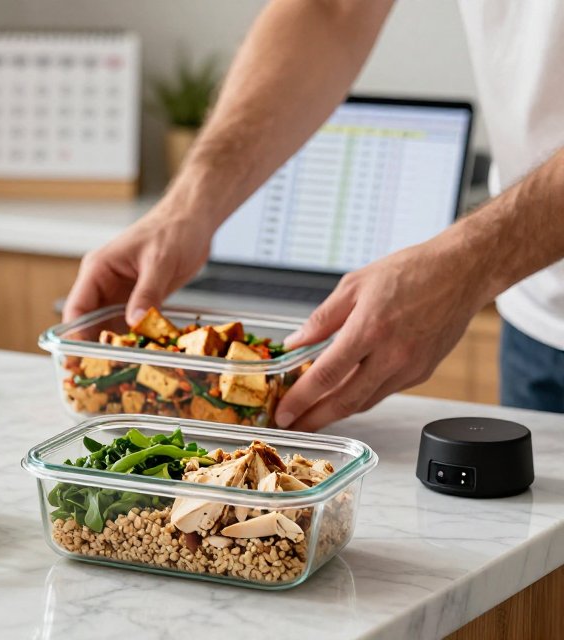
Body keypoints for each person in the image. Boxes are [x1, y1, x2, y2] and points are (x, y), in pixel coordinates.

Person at [63, 0, 564, 430]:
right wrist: (187, 207)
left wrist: (471, 263)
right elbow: (329, 10)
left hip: (514, 272)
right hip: (538, 325)